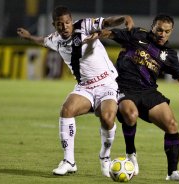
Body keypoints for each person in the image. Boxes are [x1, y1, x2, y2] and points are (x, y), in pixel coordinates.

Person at [98, 14, 179, 182]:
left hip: (148, 91)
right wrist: (94, 34)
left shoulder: (169, 55)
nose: (162, 34)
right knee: (130, 114)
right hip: (124, 87)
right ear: (153, 27)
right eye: (159, 30)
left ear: (171, 32)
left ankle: (173, 173)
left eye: (167, 31)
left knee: (172, 125)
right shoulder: (137, 35)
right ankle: (131, 153)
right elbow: (109, 34)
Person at [17, 6, 134, 177]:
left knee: (108, 119)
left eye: (66, 23)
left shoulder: (85, 25)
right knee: (66, 110)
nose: (64, 27)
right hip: (85, 86)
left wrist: (124, 17)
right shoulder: (55, 40)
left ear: (71, 21)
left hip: (107, 83)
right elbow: (42, 40)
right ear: (54, 25)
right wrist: (28, 37)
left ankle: (105, 156)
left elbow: (107, 22)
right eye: (59, 24)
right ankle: (69, 161)